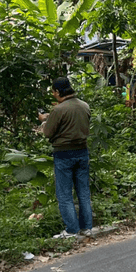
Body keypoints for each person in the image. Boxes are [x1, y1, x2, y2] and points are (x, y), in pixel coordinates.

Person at [39, 77, 93, 239]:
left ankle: (71, 230)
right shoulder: (84, 106)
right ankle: (86, 228)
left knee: (64, 194)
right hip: (82, 152)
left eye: (53, 92)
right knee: (83, 192)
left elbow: (48, 132)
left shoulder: (59, 110)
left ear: (57, 92)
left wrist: (44, 121)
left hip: (63, 154)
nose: (53, 95)